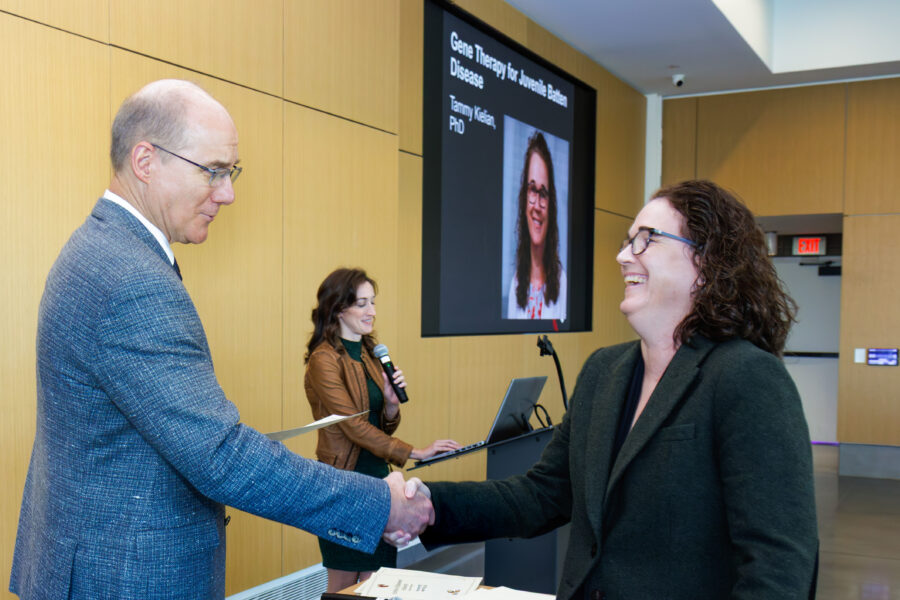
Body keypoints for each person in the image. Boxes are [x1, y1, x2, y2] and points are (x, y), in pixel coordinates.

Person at [10, 79, 432, 600]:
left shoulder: (100, 247)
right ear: (146, 160)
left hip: (92, 560)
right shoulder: (132, 280)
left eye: (230, 173)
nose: (228, 193)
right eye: (213, 171)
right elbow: (221, 456)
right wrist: (378, 504)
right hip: (127, 576)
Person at [407, 180, 819, 599]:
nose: (623, 257)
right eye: (627, 242)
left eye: (646, 240)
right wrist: (427, 504)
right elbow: (541, 496)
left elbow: (778, 566)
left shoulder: (748, 378)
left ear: (707, 259)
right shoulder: (603, 371)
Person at [304, 267, 460, 591]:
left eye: (373, 302)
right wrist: (415, 451)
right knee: (346, 581)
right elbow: (353, 427)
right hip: (342, 483)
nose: (371, 312)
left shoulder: (373, 355)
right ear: (337, 308)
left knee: (379, 581)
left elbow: (381, 426)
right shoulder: (324, 360)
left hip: (380, 481)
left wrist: (390, 404)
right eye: (361, 304)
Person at [507, 131, 567, 320]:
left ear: (551, 205)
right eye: (532, 190)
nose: (538, 206)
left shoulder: (562, 282)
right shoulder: (516, 283)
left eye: (544, 193)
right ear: (524, 199)